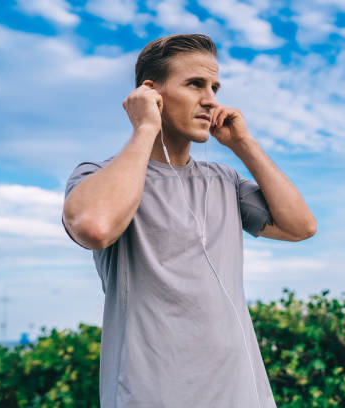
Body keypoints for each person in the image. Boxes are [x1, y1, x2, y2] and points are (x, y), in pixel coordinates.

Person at [61, 33, 316, 408]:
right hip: (150, 396)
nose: (211, 99)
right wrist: (145, 127)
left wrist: (244, 144)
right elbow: (95, 228)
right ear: (151, 92)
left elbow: (301, 227)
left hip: (242, 395)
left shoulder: (225, 181)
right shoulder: (97, 175)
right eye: (195, 84)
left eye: (214, 86)